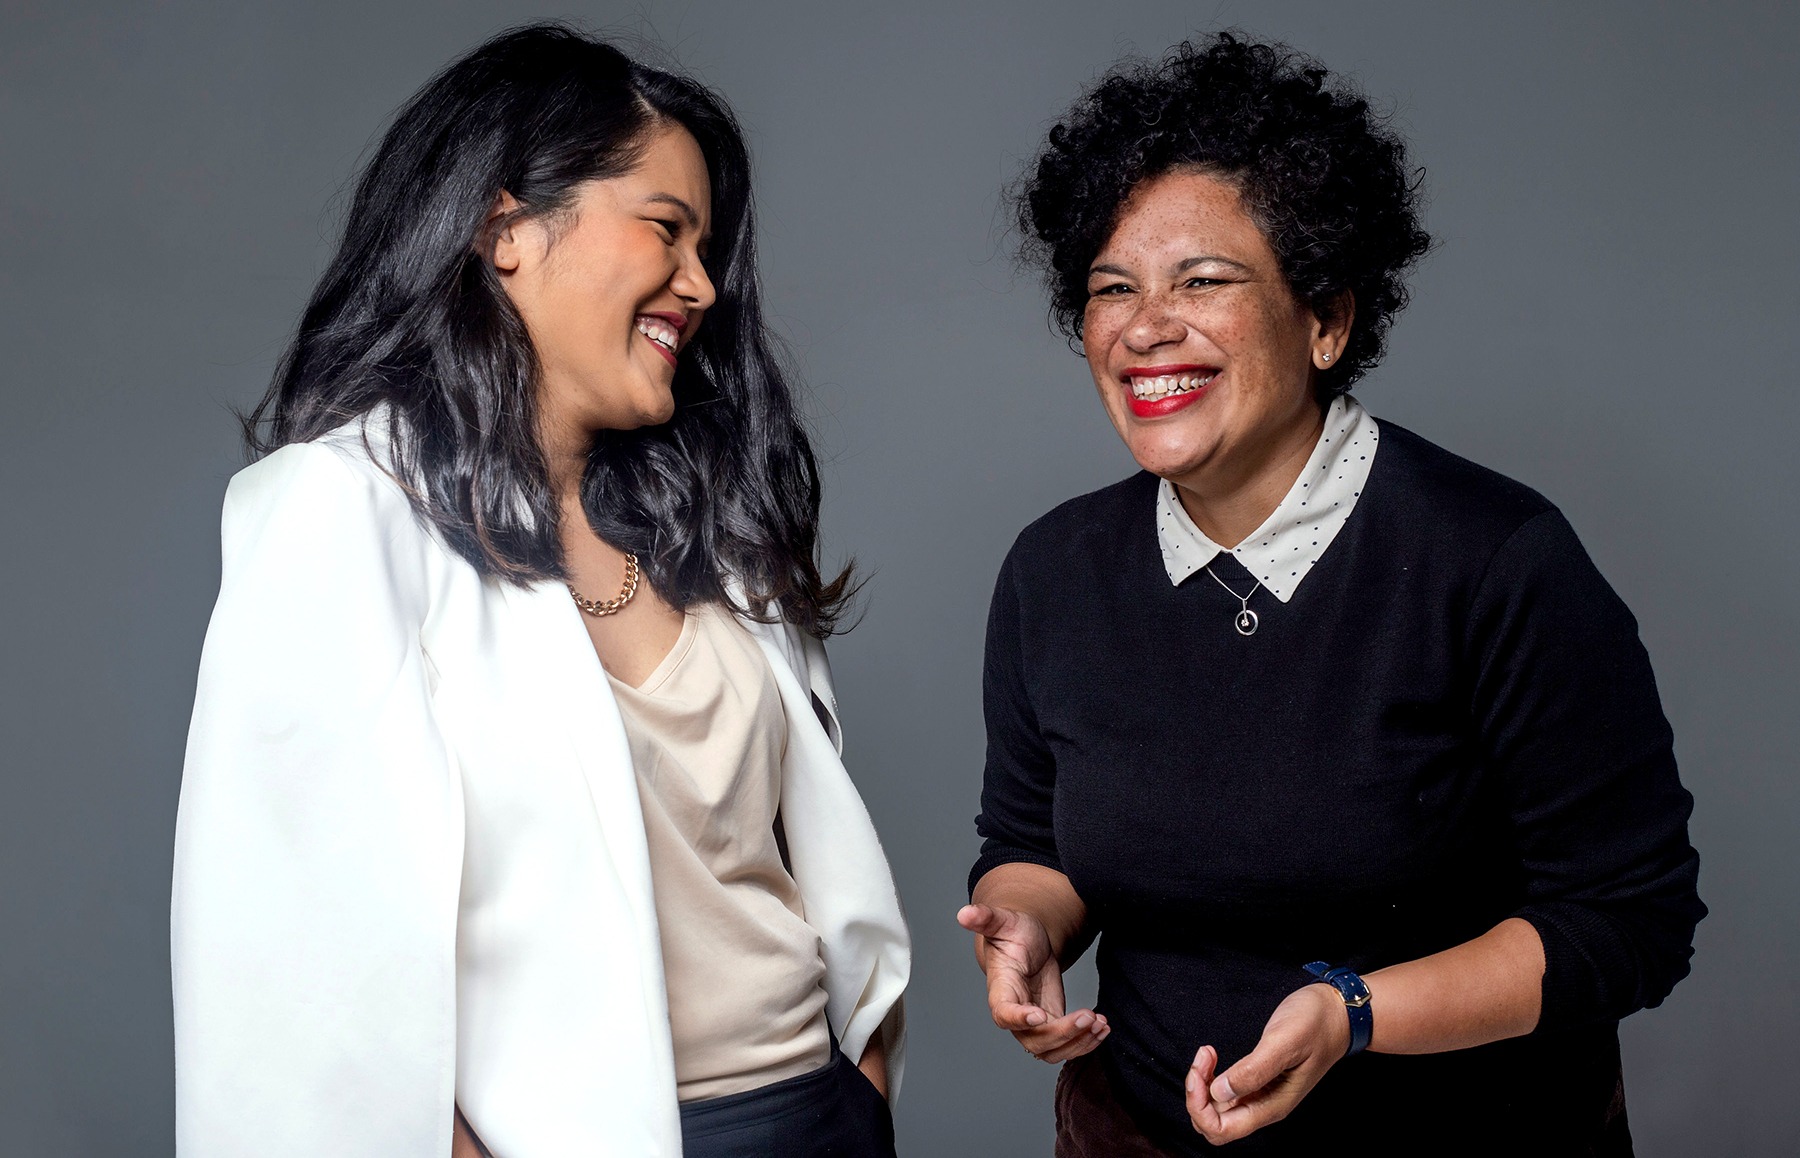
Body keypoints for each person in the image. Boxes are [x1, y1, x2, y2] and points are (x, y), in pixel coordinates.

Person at [958, 33, 1703, 1156]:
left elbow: (1630, 920)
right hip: (1138, 1133)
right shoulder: (1054, 571)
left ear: (1326, 319)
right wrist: (1024, 925)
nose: (1146, 326)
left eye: (1203, 280)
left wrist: (1355, 1014)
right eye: (1113, 289)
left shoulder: (1494, 557)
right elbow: (1030, 842)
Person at [171, 24, 907, 1158]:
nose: (701, 285)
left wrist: (861, 1082)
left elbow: (783, 854)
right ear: (506, 227)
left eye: (707, 246)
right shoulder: (341, 512)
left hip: (816, 1117)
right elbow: (297, 967)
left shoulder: (706, 519)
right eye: (666, 227)